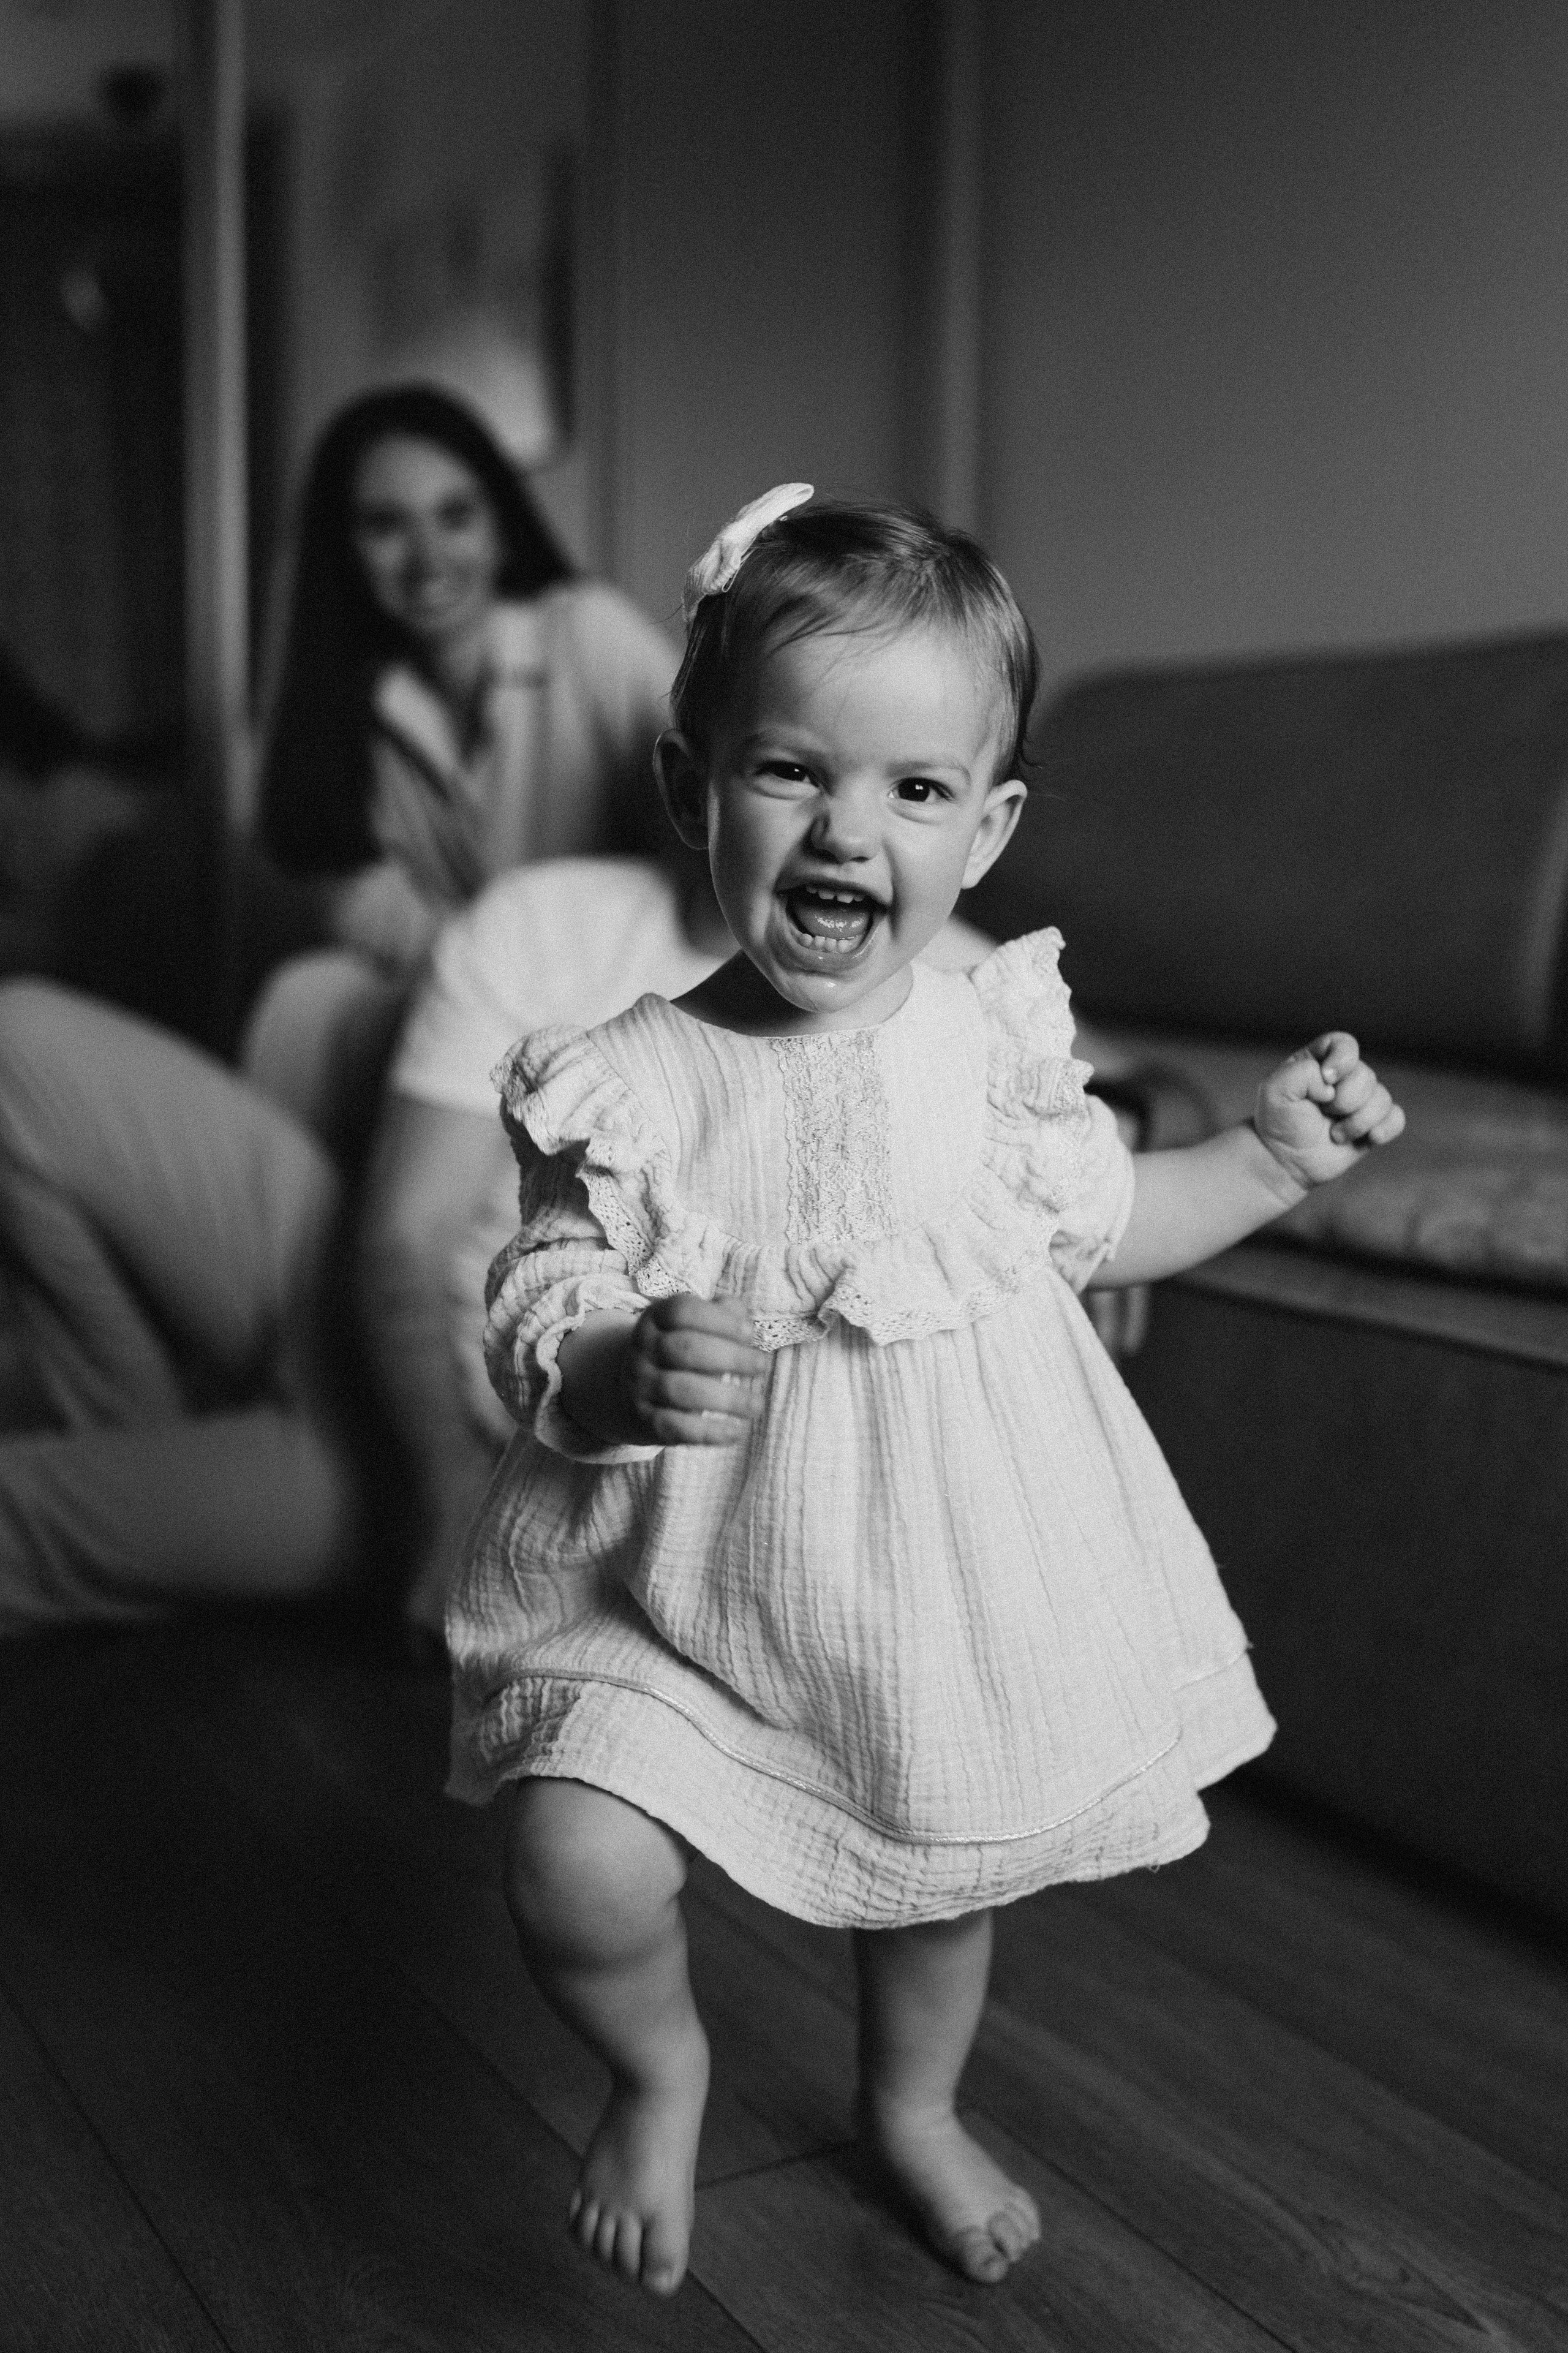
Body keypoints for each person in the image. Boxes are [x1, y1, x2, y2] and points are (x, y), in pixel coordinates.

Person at [446, 487, 1407, 2299]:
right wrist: (610, 1358)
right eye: (788, 771)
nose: (844, 828)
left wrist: (1273, 1158)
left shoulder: (993, 1055)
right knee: (573, 1862)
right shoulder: (628, 1080)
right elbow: (541, 1293)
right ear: (688, 789)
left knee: (943, 1863)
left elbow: (1124, 1224)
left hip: (924, 1576)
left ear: (989, 827)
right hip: (662, 1576)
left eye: (912, 789)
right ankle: (659, 2071)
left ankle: (911, 2105)